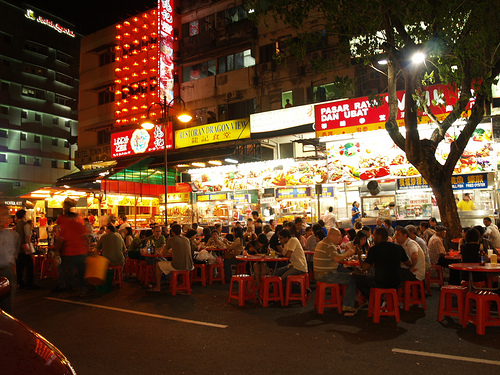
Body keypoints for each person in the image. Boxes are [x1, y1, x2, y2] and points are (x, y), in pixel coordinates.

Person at [356, 227, 411, 299]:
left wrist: (359, 255)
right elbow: (409, 263)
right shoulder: (398, 247)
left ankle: (376, 299)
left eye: (374, 235)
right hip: (397, 281)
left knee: (356, 280)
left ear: (379, 236)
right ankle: (384, 300)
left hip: (380, 281)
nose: (373, 237)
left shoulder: (374, 249)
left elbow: (365, 267)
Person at [314, 228, 358, 314]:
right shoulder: (329, 245)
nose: (340, 238)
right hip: (326, 275)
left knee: (348, 273)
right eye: (339, 236)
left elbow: (335, 257)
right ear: (333, 236)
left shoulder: (322, 243)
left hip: (319, 274)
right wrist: (349, 252)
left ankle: (348, 301)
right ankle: (348, 305)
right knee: (352, 278)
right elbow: (337, 258)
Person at [54, 198, 89, 295]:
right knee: (81, 272)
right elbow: (86, 237)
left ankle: (70, 287)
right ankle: (82, 289)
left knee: (69, 271)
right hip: (82, 253)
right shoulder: (80, 225)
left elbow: (61, 239)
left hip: (69, 253)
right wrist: (88, 248)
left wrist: (57, 250)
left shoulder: (65, 225)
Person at [149, 224, 194, 292]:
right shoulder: (186, 239)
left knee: (158, 265)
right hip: (190, 265)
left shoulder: (171, 239)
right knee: (165, 263)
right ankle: (181, 284)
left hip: (177, 266)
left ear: (172, 232)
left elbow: (163, 253)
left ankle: (158, 287)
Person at [0, 204, 20, 313]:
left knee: (7, 308)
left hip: (7, 271)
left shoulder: (13, 235)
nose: (2, 217)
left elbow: (13, 254)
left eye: (4, 215)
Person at [15, 209, 37, 289]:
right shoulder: (26, 225)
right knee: (30, 266)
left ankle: (20, 282)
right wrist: (29, 250)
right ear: (24, 215)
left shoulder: (17, 225)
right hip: (25, 248)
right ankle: (30, 283)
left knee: (20, 267)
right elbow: (27, 237)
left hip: (19, 248)